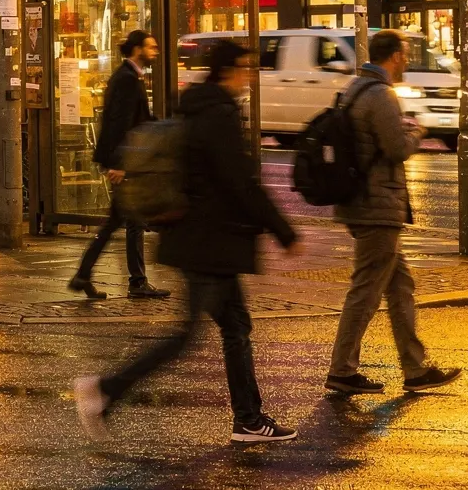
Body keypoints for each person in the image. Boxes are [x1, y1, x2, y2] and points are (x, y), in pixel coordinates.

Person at [74, 39, 300, 445]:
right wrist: (283, 231)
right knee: (187, 335)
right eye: (247, 67)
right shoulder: (217, 115)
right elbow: (239, 183)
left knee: (236, 327)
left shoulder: (200, 108)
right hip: (208, 242)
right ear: (229, 70)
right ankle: (106, 389)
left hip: (206, 239)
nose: (251, 75)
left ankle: (248, 420)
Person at [326, 30, 461, 395]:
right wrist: (417, 131)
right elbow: (396, 148)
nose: (405, 61)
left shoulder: (353, 89)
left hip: (359, 201)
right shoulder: (381, 95)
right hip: (377, 206)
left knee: (399, 285)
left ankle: (415, 369)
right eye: (404, 55)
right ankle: (341, 370)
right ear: (397, 57)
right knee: (366, 291)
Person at [70, 31, 170, 301]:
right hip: (125, 162)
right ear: (138, 49)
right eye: (151, 48)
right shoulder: (126, 79)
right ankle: (137, 282)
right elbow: (119, 123)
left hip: (127, 160)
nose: (155, 52)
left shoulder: (130, 76)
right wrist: (119, 165)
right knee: (132, 223)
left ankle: (84, 274)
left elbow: (138, 120)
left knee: (115, 222)